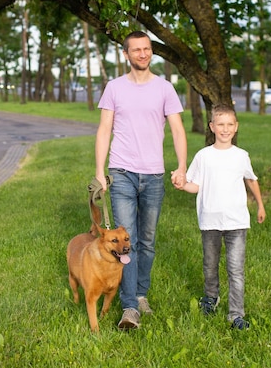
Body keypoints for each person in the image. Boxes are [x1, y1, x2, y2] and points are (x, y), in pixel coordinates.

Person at [95, 30, 187, 330]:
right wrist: (100, 171)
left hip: (154, 175)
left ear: (152, 52)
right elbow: (104, 129)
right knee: (127, 242)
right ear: (126, 54)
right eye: (136, 50)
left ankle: (141, 293)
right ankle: (130, 306)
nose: (143, 54)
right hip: (121, 173)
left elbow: (177, 129)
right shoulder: (114, 87)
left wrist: (182, 166)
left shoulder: (164, 88)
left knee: (147, 242)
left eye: (147, 49)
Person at [177, 103, 266, 330]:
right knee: (210, 264)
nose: (225, 129)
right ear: (212, 127)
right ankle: (211, 298)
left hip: (236, 222)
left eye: (229, 124)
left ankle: (236, 314)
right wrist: (181, 184)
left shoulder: (241, 156)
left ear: (236, 127)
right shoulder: (204, 156)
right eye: (220, 124)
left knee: (235, 269)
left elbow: (251, 180)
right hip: (210, 221)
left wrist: (260, 206)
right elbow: (195, 185)